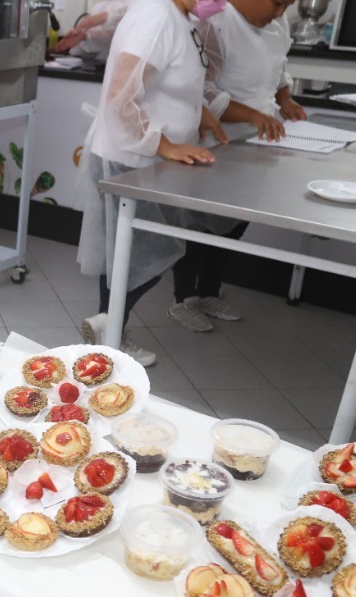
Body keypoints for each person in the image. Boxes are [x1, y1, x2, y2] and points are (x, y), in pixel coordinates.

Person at [76, 0, 231, 366]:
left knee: (126, 256)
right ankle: (111, 329)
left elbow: (171, 82)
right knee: (149, 254)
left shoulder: (178, 17)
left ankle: (110, 330)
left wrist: (200, 114)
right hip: (132, 162)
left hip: (148, 163)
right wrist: (164, 144)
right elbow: (122, 95)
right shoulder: (157, 17)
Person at [166, 0, 304, 332]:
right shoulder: (215, 22)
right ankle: (184, 298)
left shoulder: (277, 23)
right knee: (198, 225)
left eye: (287, 5)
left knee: (235, 223)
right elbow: (202, 92)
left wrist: (285, 100)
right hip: (215, 142)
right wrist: (252, 115)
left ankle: (210, 291)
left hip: (257, 144)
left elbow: (277, 69)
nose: (280, 13)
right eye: (277, 3)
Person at [50, 1, 130, 62]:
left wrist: (102, 17)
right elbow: (82, 51)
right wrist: (83, 36)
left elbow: (115, 35)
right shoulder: (99, 7)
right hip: (100, 66)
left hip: (122, 65)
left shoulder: (131, 6)